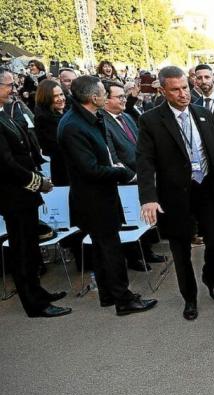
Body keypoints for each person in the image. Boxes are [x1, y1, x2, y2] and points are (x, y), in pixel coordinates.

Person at [137, 66, 214, 321]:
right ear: (162, 91)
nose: (183, 94)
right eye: (176, 90)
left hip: (208, 190)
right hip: (175, 196)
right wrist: (148, 197)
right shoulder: (151, 120)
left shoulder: (203, 114)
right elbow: (144, 161)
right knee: (181, 252)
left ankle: (211, 279)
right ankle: (189, 297)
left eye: (185, 88)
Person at [58, 75, 157, 316]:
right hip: (93, 200)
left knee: (103, 250)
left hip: (101, 195)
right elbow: (90, 168)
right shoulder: (73, 126)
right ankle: (124, 300)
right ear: (94, 97)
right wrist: (123, 173)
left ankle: (108, 294)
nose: (106, 95)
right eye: (104, 92)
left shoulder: (89, 118)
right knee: (110, 250)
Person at [0, 67, 71, 318]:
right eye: (9, 85)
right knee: (21, 252)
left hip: (24, 195)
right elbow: (6, 163)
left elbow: (24, 150)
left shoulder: (5, 114)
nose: (14, 89)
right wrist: (36, 182)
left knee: (30, 249)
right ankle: (34, 304)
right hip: (13, 196)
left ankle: (38, 292)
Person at [102, 80, 166, 272]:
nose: (124, 100)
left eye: (124, 96)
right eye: (119, 97)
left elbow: (142, 146)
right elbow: (112, 157)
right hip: (126, 181)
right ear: (105, 99)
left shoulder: (126, 117)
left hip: (142, 177)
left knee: (145, 218)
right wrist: (131, 176)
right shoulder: (103, 122)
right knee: (130, 222)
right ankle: (134, 258)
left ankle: (147, 252)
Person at [34, 79, 69, 186]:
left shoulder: (67, 111)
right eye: (55, 96)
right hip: (63, 168)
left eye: (61, 94)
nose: (60, 99)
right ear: (46, 98)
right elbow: (57, 146)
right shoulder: (44, 118)